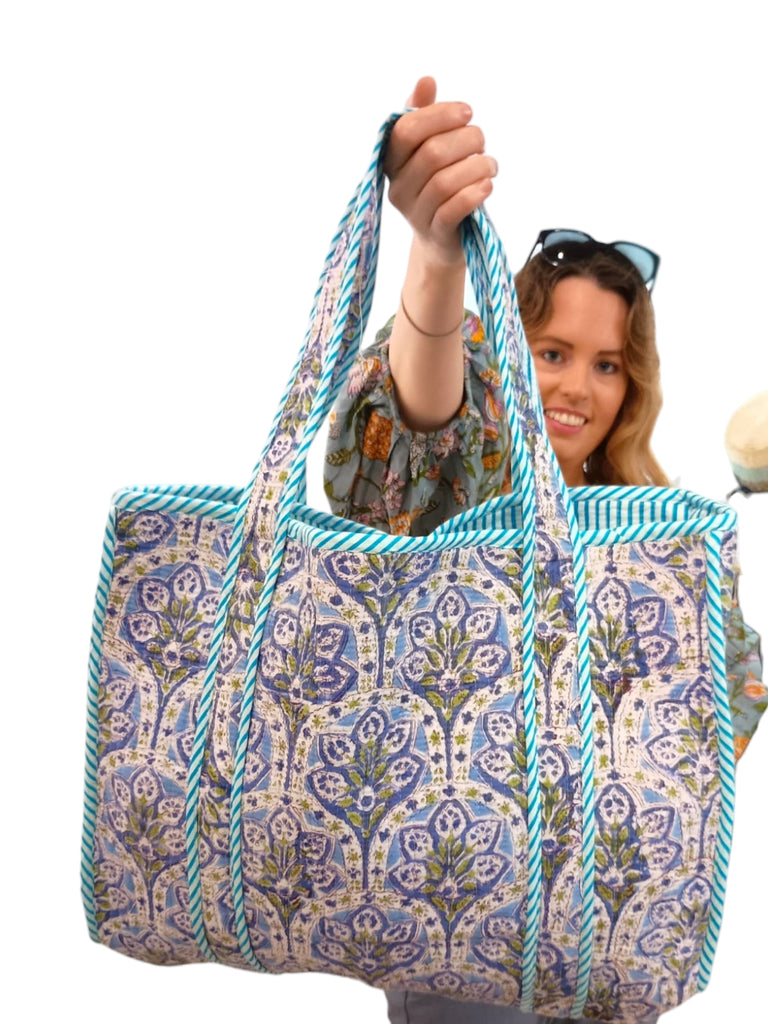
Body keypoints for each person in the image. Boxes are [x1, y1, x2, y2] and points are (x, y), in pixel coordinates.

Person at [323, 78, 763, 1024]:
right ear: (506, 349)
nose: (578, 386)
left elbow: (726, 708)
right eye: (552, 351)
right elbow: (413, 427)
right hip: (467, 933)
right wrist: (436, 260)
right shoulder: (467, 484)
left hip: (606, 950)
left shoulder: (647, 537)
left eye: (607, 364)